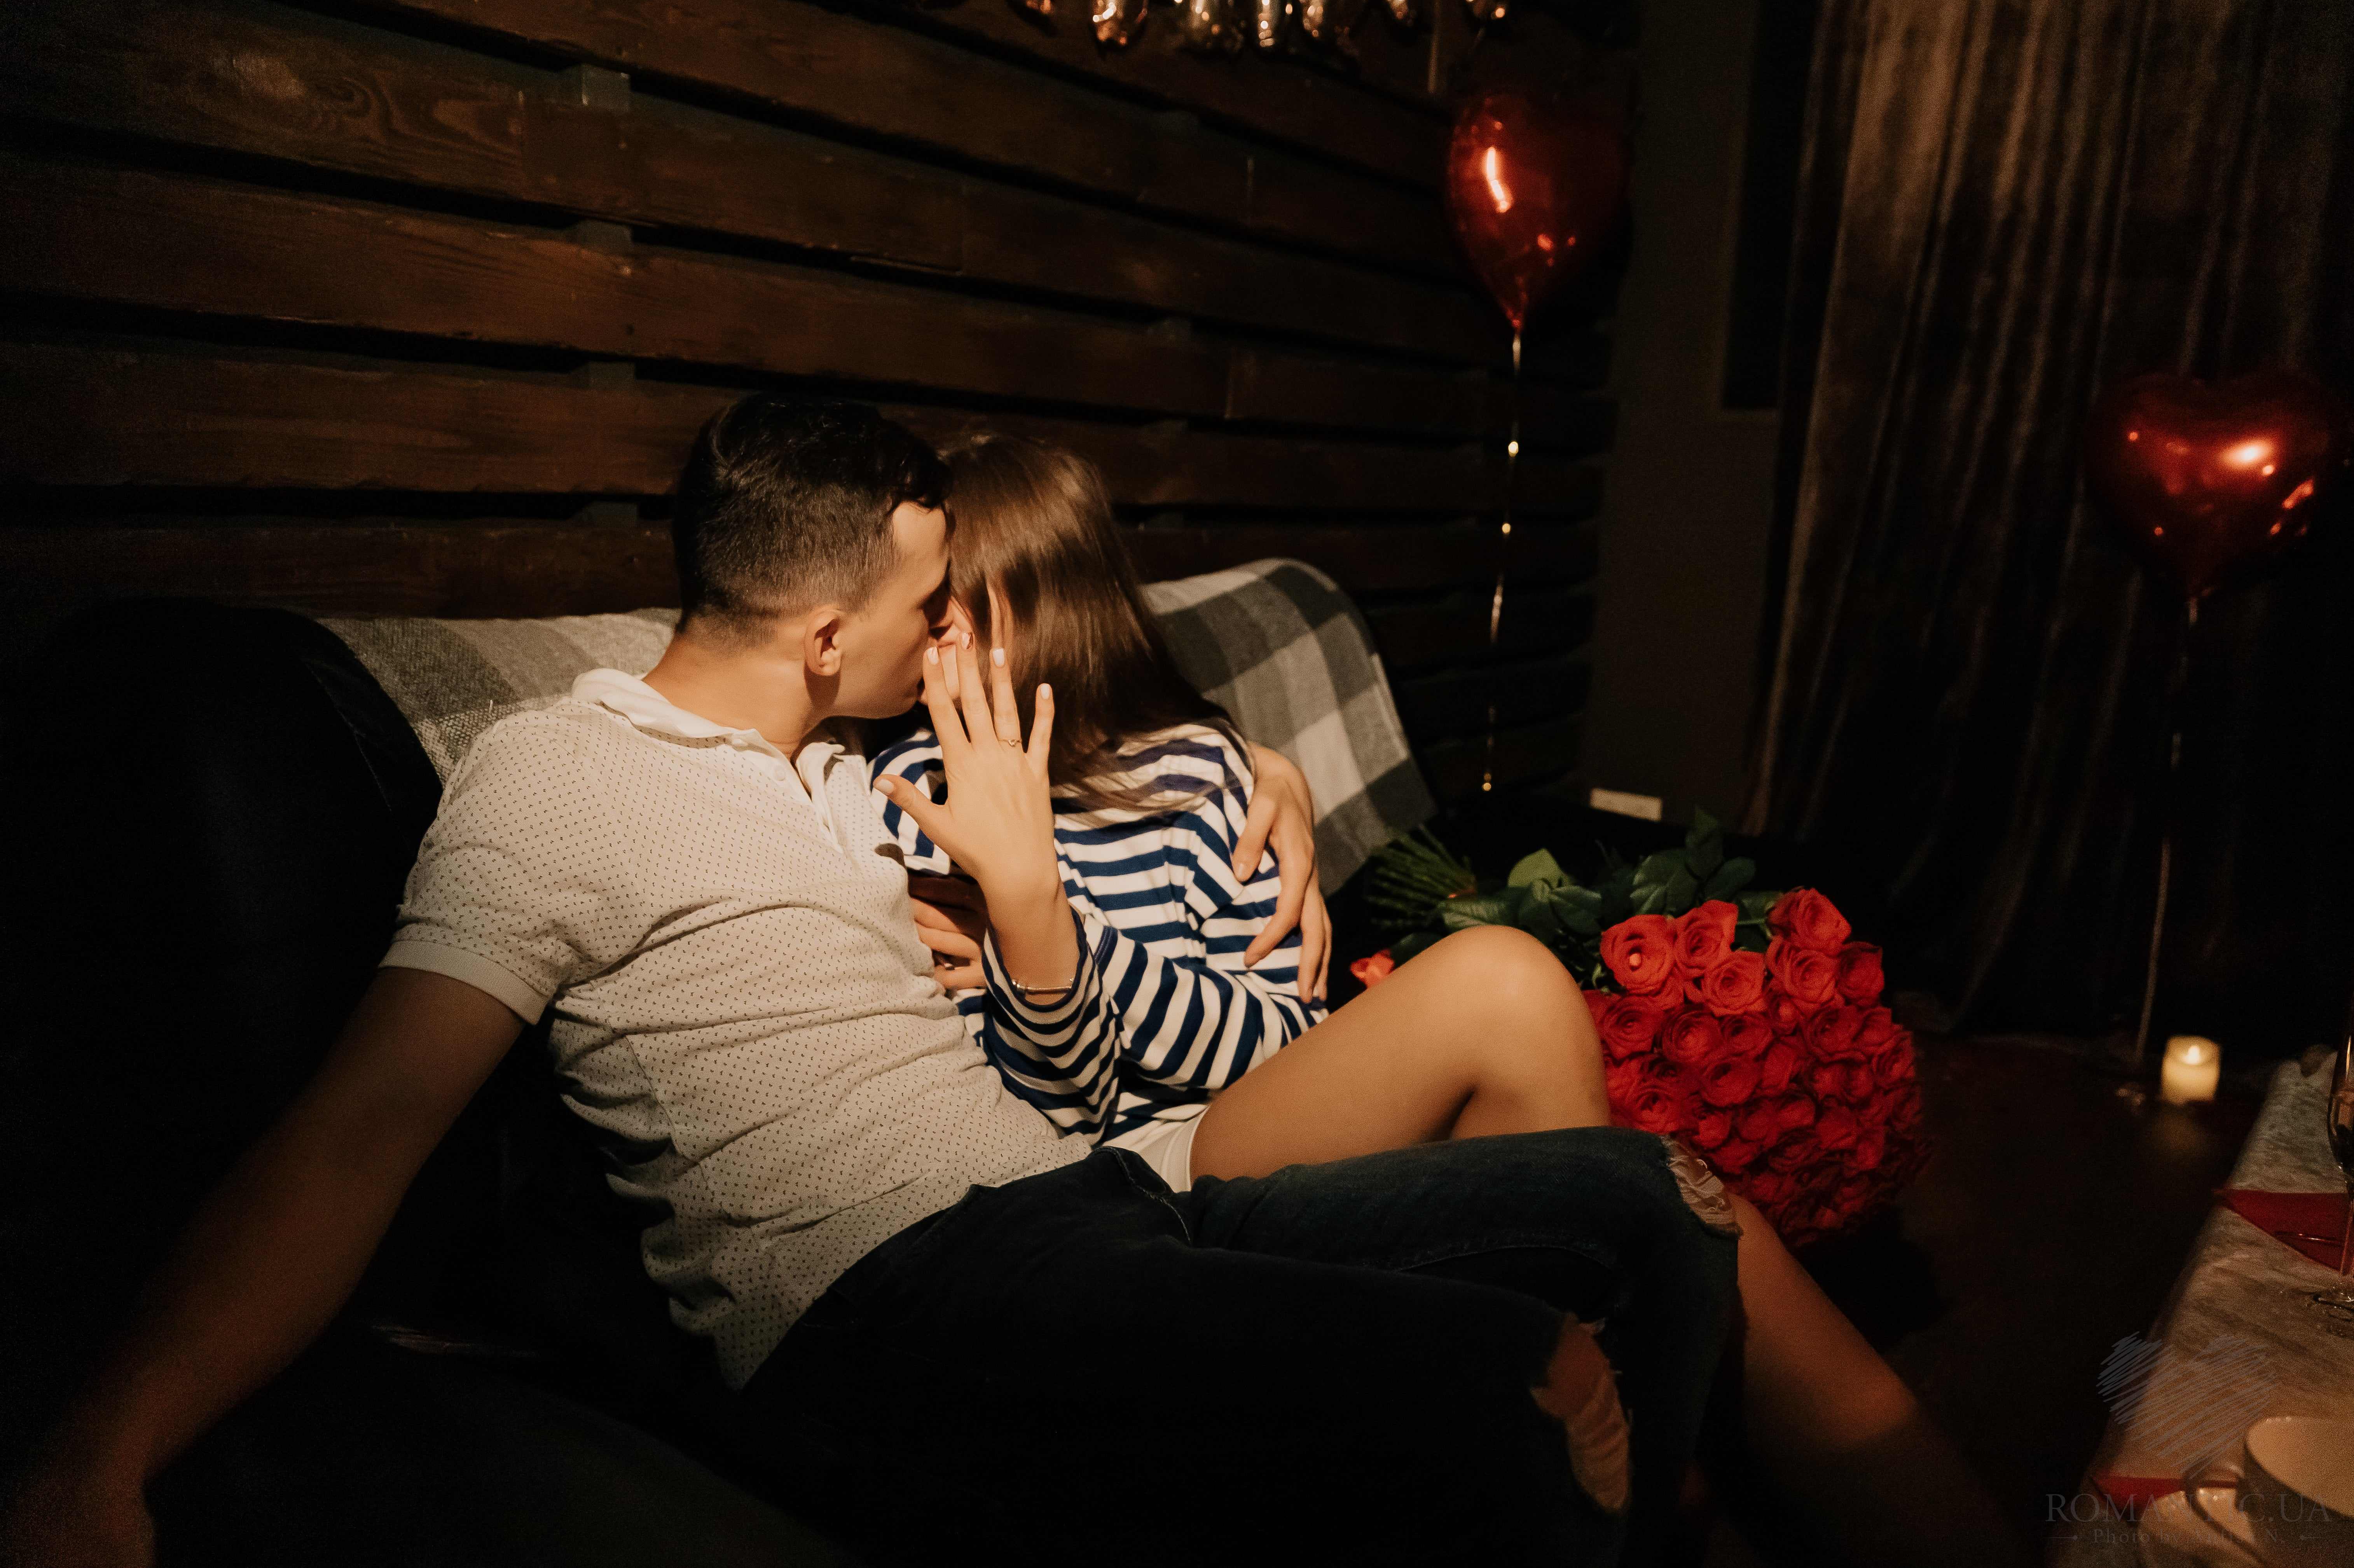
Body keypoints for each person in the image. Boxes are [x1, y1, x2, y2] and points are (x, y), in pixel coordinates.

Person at [0, 395, 1741, 1568]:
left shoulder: (860, 776)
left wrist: (1249, 776)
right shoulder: (560, 784)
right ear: (829, 633)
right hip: (891, 1302)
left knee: (1652, 1200)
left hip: (1097, 1207)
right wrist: (101, 1447)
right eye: (929, 603)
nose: (947, 634)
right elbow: (358, 1129)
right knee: (1526, 1381)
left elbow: (1097, 833)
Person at [869, 433, 2034, 1568]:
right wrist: (1033, 918)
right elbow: (1046, 1104)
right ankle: (1619, 1445)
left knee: (1707, 1215)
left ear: (1047, 598)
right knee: (1512, 996)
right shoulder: (907, 794)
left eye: (945, 605)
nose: (924, 636)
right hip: (1119, 1177)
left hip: (1258, 1107)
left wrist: (1061, 937)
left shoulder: (1199, 770)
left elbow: (1279, 1033)